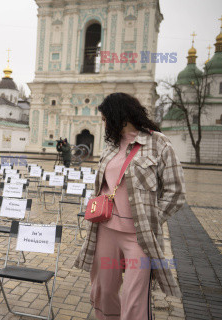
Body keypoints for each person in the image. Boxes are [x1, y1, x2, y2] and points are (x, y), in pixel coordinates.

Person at [74, 92, 186, 320]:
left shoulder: (159, 143)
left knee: (134, 297)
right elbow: (105, 185)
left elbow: (176, 192)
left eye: (105, 118)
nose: (103, 123)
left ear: (119, 115)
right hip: (105, 229)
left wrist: (151, 218)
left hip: (139, 236)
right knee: (103, 290)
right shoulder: (111, 146)